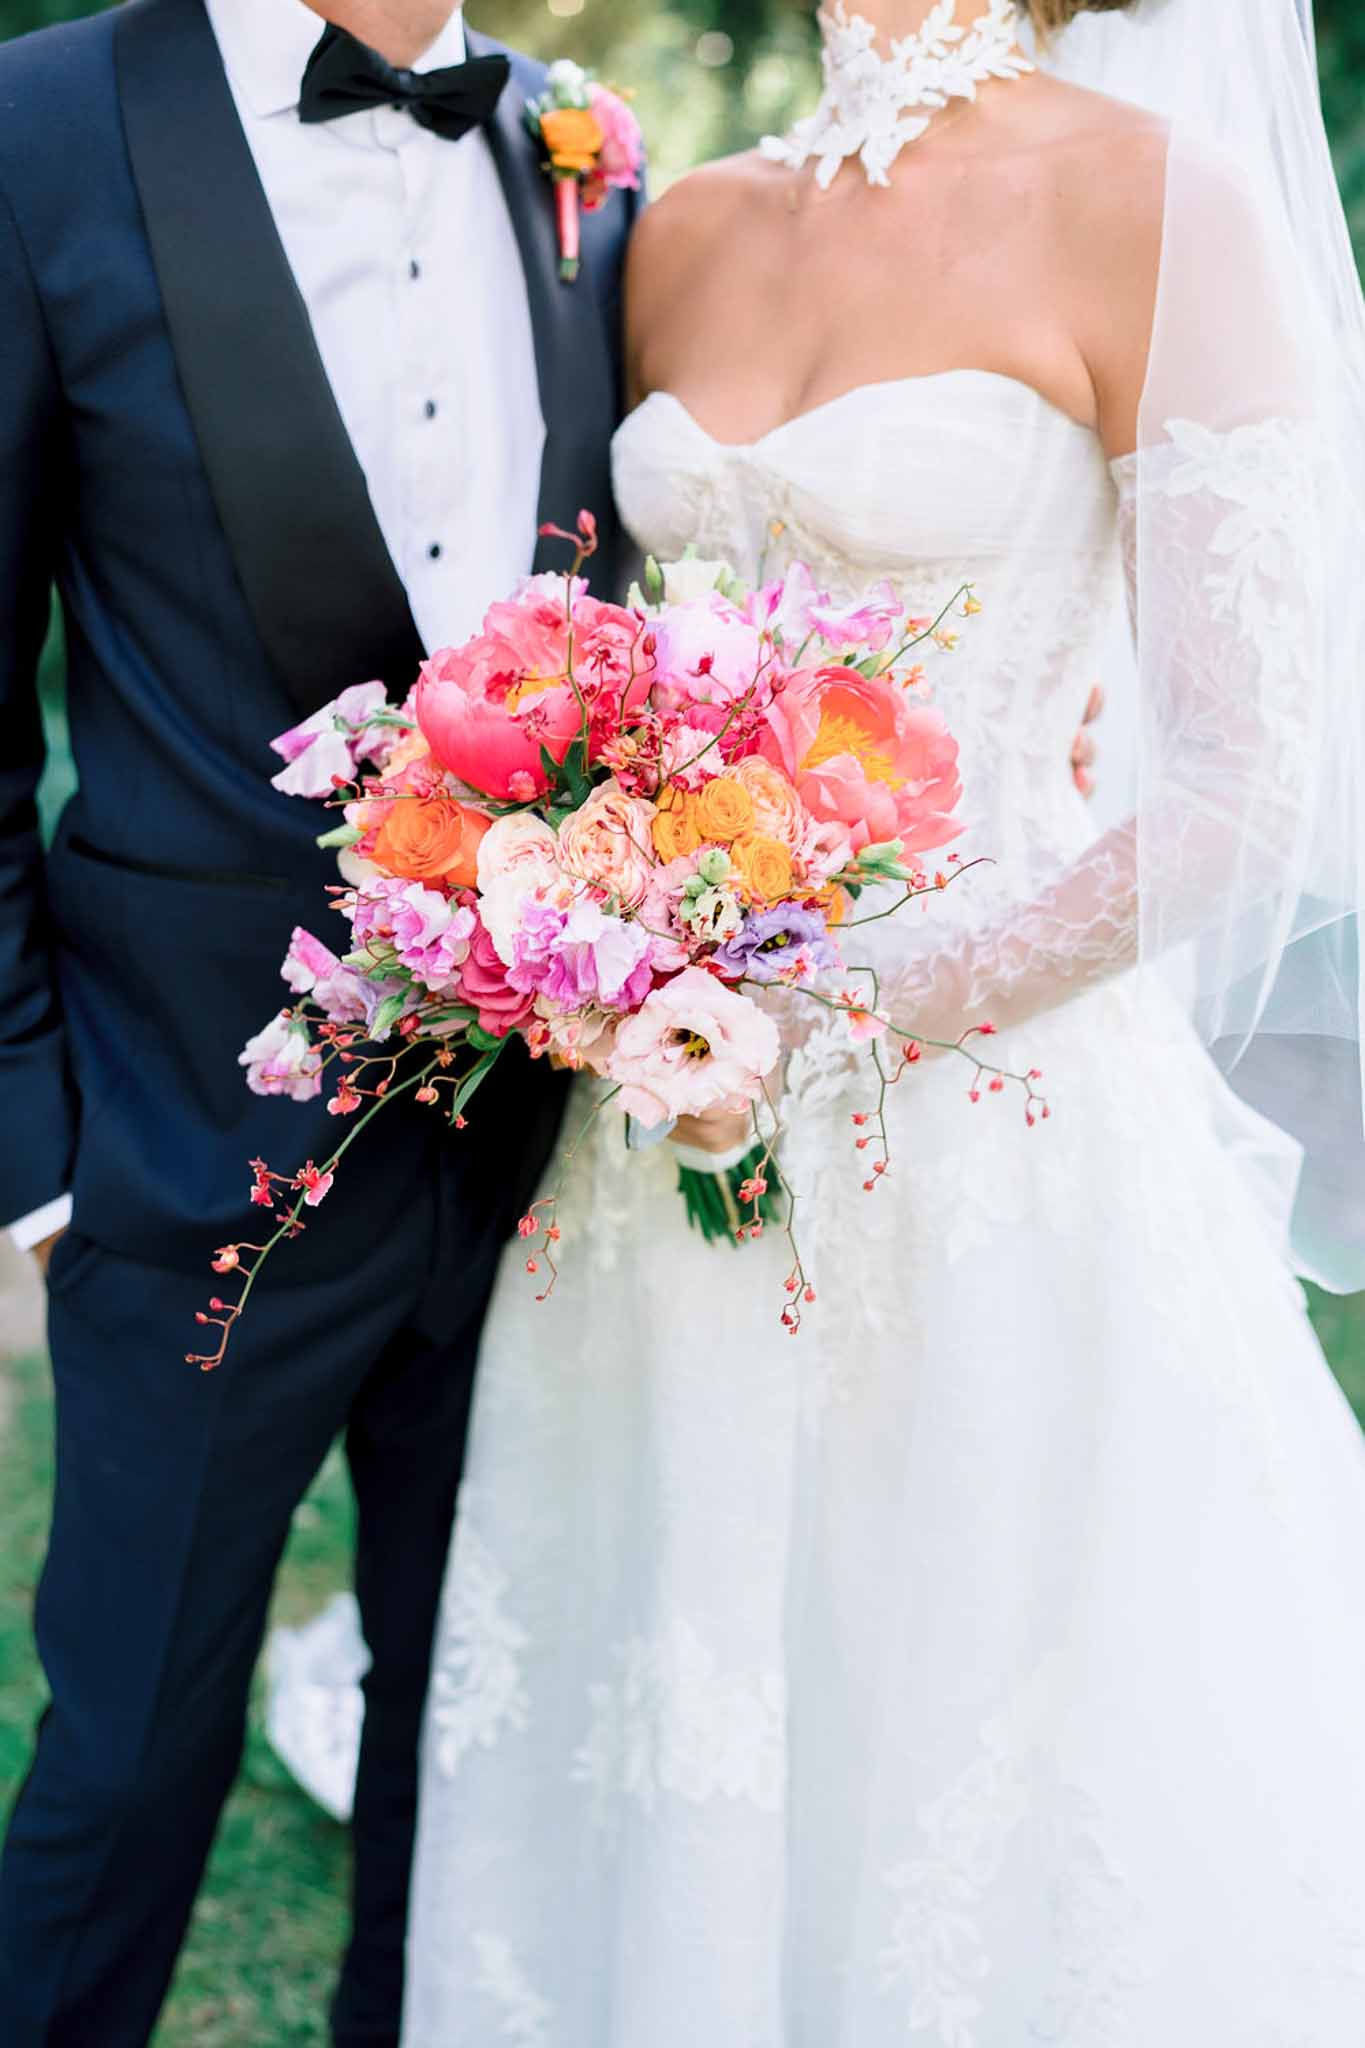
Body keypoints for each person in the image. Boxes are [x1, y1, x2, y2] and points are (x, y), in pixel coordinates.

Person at [400, 2, 1365, 2042]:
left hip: (990, 1121)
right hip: (651, 1127)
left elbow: (1239, 778)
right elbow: (592, 657)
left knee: (971, 1714)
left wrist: (843, 1012)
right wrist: (575, 910)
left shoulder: (1149, 201)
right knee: (682, 1688)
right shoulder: (676, 222)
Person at [0, 0, 640, 2040]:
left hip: (549, 1146)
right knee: (116, 1773)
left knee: (470, 1762)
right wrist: (35, 1157)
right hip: (190, 1146)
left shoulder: (580, 153)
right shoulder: (39, 127)